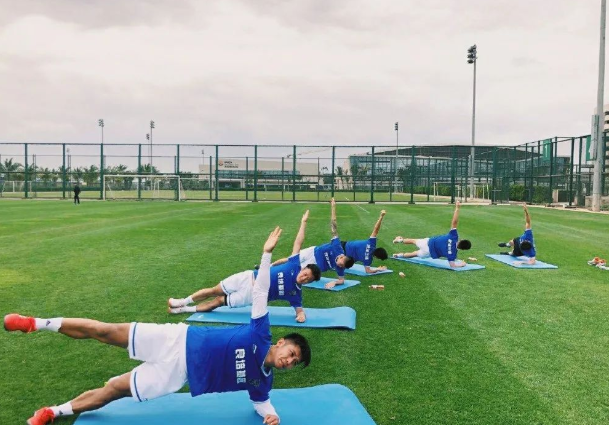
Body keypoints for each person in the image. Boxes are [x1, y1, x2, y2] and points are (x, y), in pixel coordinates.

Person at [4, 227, 311, 425]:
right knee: (105, 331)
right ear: (281, 342)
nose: (290, 361)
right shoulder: (261, 333)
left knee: (114, 390)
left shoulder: (262, 382)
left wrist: (271, 415)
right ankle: (35, 323)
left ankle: (53, 411)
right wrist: (267, 254)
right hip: (176, 338)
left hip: (176, 374)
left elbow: (261, 403)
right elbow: (260, 291)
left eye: (294, 362)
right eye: (292, 353)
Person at [168, 210, 321, 323]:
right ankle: (183, 301)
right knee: (214, 290)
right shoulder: (294, 264)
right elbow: (298, 242)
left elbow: (299, 311)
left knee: (219, 301)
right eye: (306, 274)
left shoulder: (296, 293)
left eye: (308, 280)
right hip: (247, 277)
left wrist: (301, 316)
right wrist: (303, 222)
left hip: (251, 295)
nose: (304, 278)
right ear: (303, 269)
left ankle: (184, 309)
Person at [272, 198, 354, 290]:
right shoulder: (337, 247)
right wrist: (333, 207)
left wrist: (334, 282)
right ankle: (270, 266)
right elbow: (334, 225)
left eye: (342, 266)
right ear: (342, 257)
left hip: (313, 265)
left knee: (294, 270)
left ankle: (275, 277)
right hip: (312, 251)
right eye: (341, 264)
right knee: (290, 259)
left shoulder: (341, 267)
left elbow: (342, 280)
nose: (339, 266)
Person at [392, 201, 471, 268]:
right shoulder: (453, 254)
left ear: (461, 240)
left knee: (413, 241)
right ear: (462, 249)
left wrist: (457, 208)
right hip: (428, 253)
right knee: (414, 254)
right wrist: (462, 264)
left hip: (428, 242)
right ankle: (399, 255)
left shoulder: (454, 236)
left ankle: (399, 240)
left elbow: (454, 222)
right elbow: (452, 265)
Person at [341, 210, 389, 274]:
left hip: (342, 244)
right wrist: (378, 269)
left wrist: (381, 216)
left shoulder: (372, 243)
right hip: (343, 256)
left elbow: (376, 229)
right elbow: (368, 271)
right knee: (346, 265)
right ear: (377, 257)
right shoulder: (368, 260)